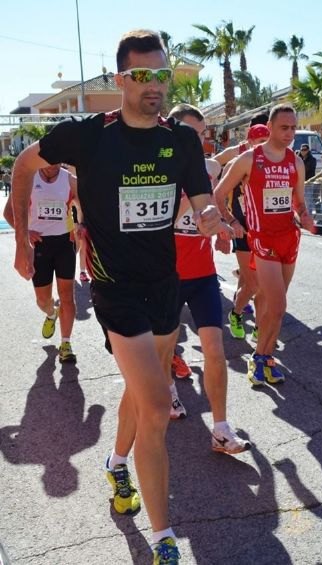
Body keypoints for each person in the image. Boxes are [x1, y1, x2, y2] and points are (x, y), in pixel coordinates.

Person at [10, 30, 225, 563]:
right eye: (144, 75)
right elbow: (22, 167)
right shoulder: (86, 135)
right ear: (122, 79)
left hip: (164, 284)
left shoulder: (180, 140)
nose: (156, 85)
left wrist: (211, 216)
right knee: (156, 404)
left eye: (163, 74)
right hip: (113, 288)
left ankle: (115, 459)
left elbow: (201, 196)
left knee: (141, 388)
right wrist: (19, 239)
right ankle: (163, 536)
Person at [167, 103, 251, 454]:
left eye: (200, 135)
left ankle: (220, 429)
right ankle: (168, 392)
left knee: (215, 350)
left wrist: (222, 230)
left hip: (202, 273)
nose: (196, 141)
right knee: (164, 349)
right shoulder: (156, 170)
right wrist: (188, 200)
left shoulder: (210, 168)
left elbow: (213, 211)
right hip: (165, 275)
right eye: (189, 133)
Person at [214, 104, 315, 386]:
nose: (290, 133)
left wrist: (305, 216)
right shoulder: (249, 159)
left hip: (290, 239)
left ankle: (266, 358)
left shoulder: (295, 162)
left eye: (294, 128)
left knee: (275, 309)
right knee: (278, 303)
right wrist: (231, 222)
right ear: (269, 127)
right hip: (261, 239)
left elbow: (299, 203)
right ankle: (258, 357)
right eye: (284, 127)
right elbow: (218, 194)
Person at [3, 164, 79, 363]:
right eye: (49, 161)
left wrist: (81, 227)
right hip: (40, 245)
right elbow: (8, 213)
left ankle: (66, 344)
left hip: (65, 243)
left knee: (67, 296)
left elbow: (87, 205)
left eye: (57, 161)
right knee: (43, 300)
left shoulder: (70, 179)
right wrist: (26, 232)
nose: (53, 166)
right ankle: (51, 313)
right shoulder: (29, 178)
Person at [224, 124, 270, 341]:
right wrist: (231, 222)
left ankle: (260, 327)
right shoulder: (237, 163)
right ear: (250, 142)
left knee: (261, 284)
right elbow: (218, 196)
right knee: (253, 283)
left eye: (265, 141)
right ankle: (236, 314)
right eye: (259, 141)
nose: (263, 146)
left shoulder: (272, 165)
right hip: (242, 229)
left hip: (265, 231)